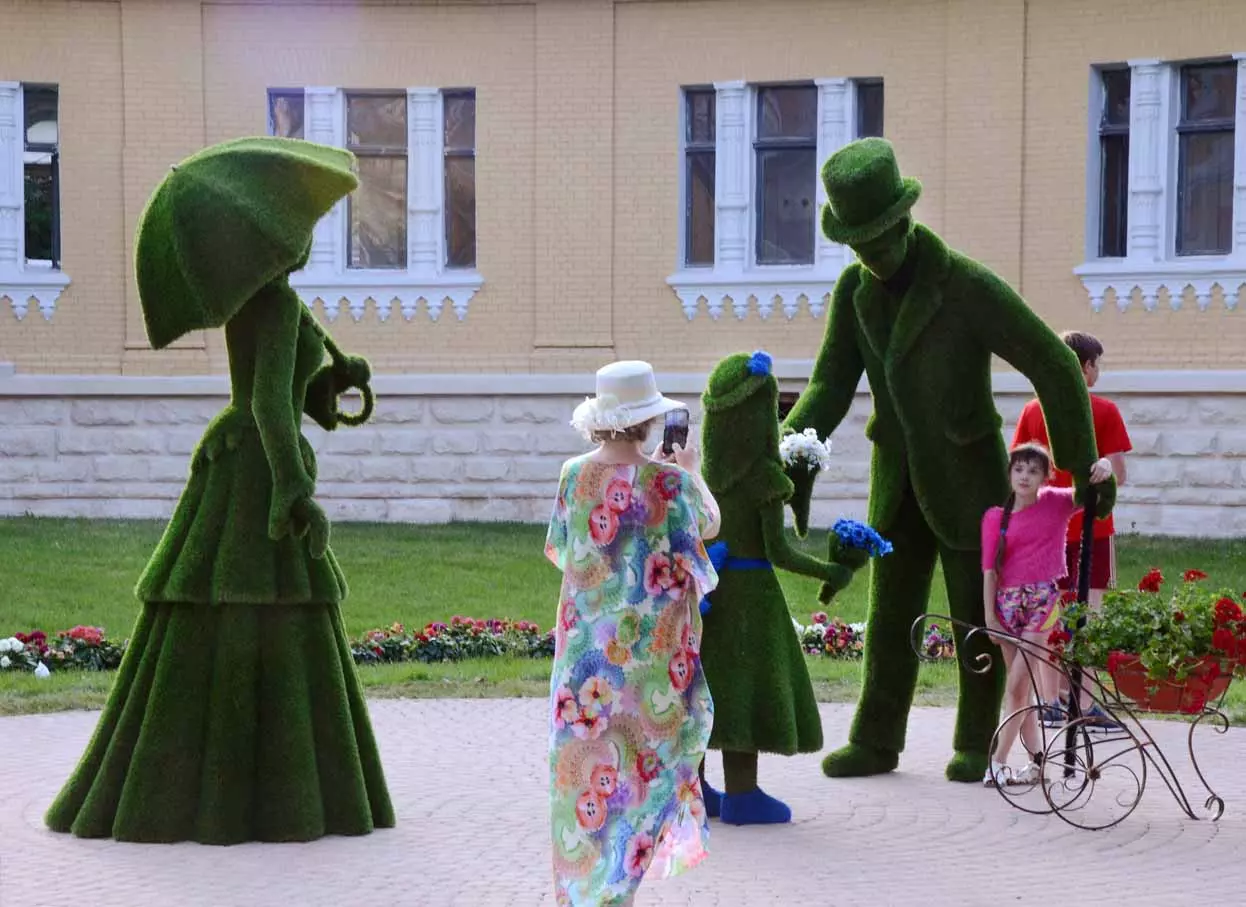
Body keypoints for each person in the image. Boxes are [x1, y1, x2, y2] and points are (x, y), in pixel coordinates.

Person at [45, 138, 394, 843]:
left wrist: (336, 381)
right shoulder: (280, 308)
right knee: (268, 603)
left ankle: (193, 788)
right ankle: (284, 793)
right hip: (259, 471)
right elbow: (270, 407)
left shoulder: (258, 307)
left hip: (234, 465)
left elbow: (293, 399)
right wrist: (293, 490)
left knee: (212, 601)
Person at [783, 137, 1115, 783]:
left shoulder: (964, 285)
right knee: (889, 618)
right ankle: (875, 740)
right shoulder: (854, 291)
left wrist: (1081, 468)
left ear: (903, 221)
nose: (871, 256)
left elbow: (1053, 362)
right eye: (858, 245)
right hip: (896, 479)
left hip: (969, 480)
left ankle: (975, 742)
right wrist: (786, 449)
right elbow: (828, 385)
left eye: (879, 240)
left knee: (978, 616)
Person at [545, 360, 721, 907]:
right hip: (651, 669)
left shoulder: (574, 475)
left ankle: (582, 893)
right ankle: (619, 888)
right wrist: (691, 471)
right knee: (644, 779)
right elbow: (710, 525)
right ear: (649, 421)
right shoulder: (671, 483)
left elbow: (567, 555)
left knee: (581, 782)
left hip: (584, 665)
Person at [696, 350, 854, 825]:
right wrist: (829, 571)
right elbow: (780, 552)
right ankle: (742, 794)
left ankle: (695, 790)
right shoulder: (763, 480)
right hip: (753, 599)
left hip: (707, 595)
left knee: (707, 689)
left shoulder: (702, 475)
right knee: (746, 689)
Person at [1011, 331, 1132, 726]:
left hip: (1046, 530)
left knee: (1047, 616)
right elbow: (1119, 473)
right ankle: (1085, 703)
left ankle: (1050, 702)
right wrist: (1105, 468)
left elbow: (1020, 469)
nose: (1098, 371)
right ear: (1085, 367)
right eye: (1097, 364)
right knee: (1088, 619)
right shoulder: (1105, 411)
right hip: (1092, 529)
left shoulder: (1033, 411)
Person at [980, 443, 1114, 785]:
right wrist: (990, 619)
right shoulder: (994, 518)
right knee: (1020, 690)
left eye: (1033, 471)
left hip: (1042, 602)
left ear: (1045, 477)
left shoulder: (1056, 502)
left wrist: (1105, 466)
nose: (1025, 477)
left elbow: (1096, 495)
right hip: (1007, 607)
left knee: (1016, 685)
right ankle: (1037, 763)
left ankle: (996, 762)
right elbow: (989, 573)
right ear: (1009, 474)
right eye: (1019, 469)